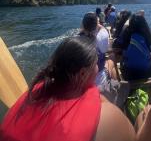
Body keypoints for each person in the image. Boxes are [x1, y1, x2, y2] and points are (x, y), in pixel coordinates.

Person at [0, 36, 135, 141]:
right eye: (95, 64)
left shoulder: (37, 90)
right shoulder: (109, 116)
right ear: (82, 74)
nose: (97, 68)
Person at [121, 14, 151, 80]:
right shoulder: (148, 35)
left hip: (129, 71)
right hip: (146, 71)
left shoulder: (127, 33)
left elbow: (123, 48)